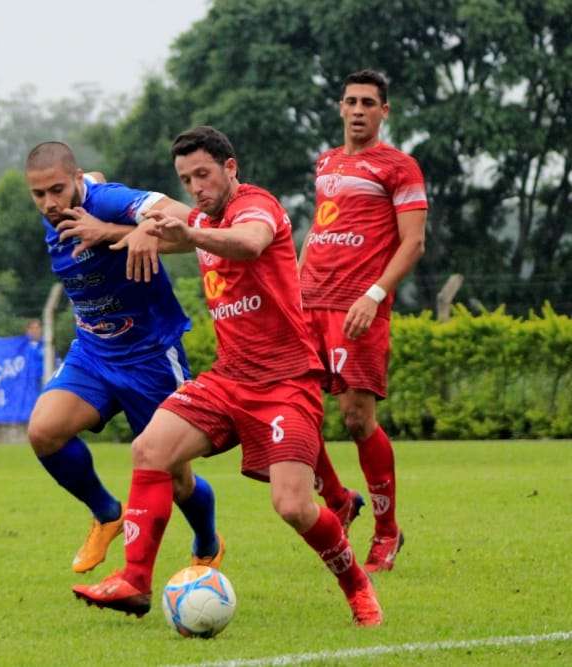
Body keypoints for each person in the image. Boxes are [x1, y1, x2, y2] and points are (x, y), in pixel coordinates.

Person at [73, 126, 381, 626]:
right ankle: (134, 580)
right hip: (229, 378)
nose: (196, 187)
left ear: (230, 167)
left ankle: (357, 586)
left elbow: (249, 242)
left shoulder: (256, 206)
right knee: (150, 449)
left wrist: (189, 233)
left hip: (286, 382)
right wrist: (111, 221)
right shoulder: (200, 219)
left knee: (292, 506)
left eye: (203, 174)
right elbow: (160, 226)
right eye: (186, 179)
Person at [23, 141, 222, 576]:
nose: (49, 203)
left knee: (176, 479)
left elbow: (190, 220)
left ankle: (208, 540)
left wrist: (129, 231)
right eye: (39, 194)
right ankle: (107, 514)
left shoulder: (109, 200)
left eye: (57, 190)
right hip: (93, 352)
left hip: (151, 356)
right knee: (43, 431)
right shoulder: (60, 206)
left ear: (76, 179)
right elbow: (90, 177)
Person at [299, 70, 427, 573]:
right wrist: (293, 285)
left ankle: (387, 530)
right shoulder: (327, 162)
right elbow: (321, 228)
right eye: (350, 101)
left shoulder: (399, 167)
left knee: (356, 419)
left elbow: (413, 242)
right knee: (294, 411)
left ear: (383, 111)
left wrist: (374, 295)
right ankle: (337, 498)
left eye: (368, 103)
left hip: (357, 306)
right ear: (340, 107)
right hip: (309, 303)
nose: (357, 110)